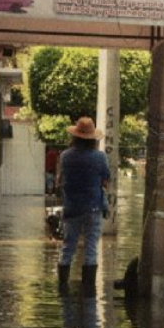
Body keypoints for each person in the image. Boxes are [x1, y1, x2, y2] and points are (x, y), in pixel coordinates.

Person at [55, 116, 110, 293]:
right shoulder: (99, 157)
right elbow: (105, 179)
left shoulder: (65, 156)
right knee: (91, 247)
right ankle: (89, 291)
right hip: (93, 207)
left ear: (75, 136)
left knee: (68, 246)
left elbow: (59, 181)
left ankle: (62, 287)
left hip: (72, 207)